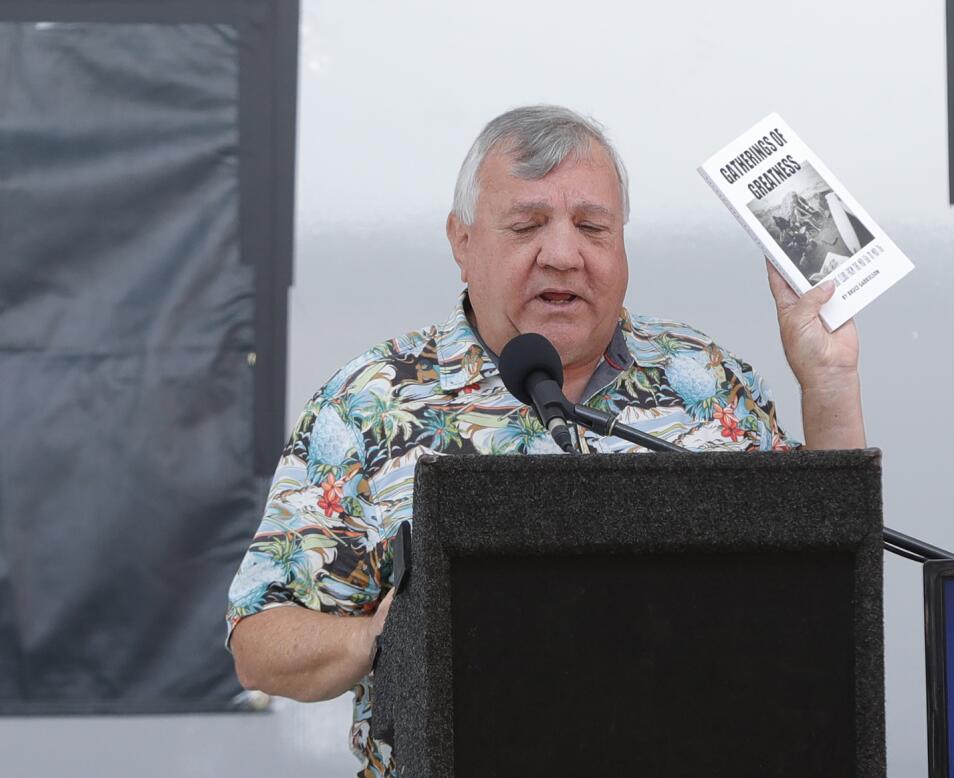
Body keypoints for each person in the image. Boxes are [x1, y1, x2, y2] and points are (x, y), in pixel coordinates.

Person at [226, 105, 865, 776]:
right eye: (527, 225)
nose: (563, 254)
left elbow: (826, 585)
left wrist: (828, 380)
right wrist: (381, 636)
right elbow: (258, 642)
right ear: (462, 240)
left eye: (593, 227)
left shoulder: (704, 379)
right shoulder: (372, 400)